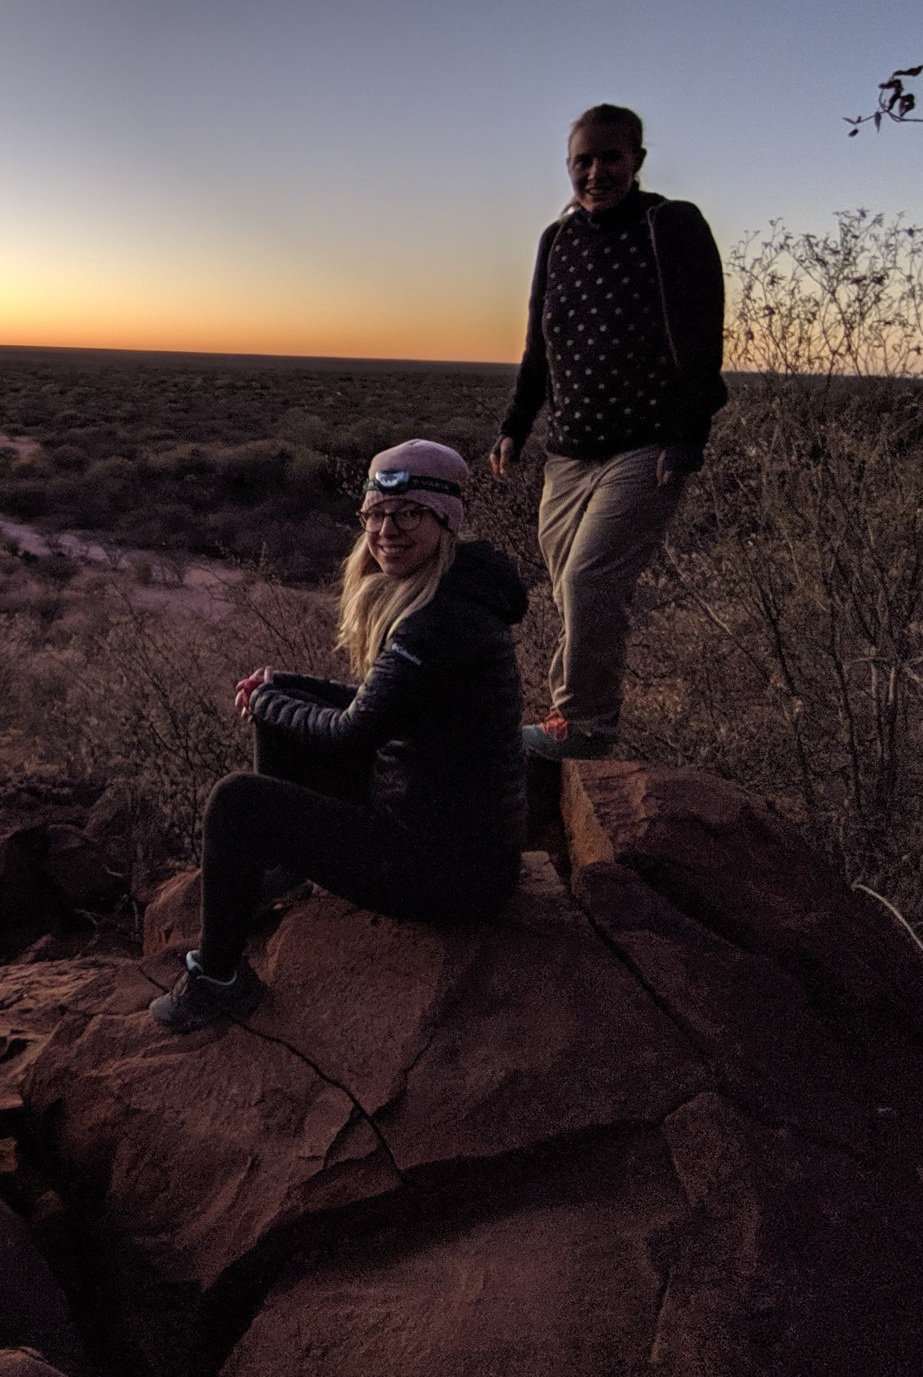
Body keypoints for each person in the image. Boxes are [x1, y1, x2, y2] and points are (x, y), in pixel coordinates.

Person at [151, 439, 528, 1033]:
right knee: (285, 709)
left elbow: (352, 733)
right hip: (455, 844)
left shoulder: (437, 622)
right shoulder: (458, 591)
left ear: (445, 520)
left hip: (450, 877)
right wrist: (285, 687)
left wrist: (269, 702)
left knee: (236, 800)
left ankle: (217, 980)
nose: (387, 530)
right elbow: (380, 704)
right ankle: (279, 871)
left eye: (409, 513)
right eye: (375, 514)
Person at [490, 103, 726, 760]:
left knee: (590, 581)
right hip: (570, 450)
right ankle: (571, 721)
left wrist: (688, 434)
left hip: (646, 444)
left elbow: (703, 332)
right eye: (583, 161)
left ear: (637, 160)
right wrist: (515, 425)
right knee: (572, 590)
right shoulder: (558, 239)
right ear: (569, 166)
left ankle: (585, 725)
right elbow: (540, 343)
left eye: (610, 158)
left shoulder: (670, 224)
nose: (596, 172)